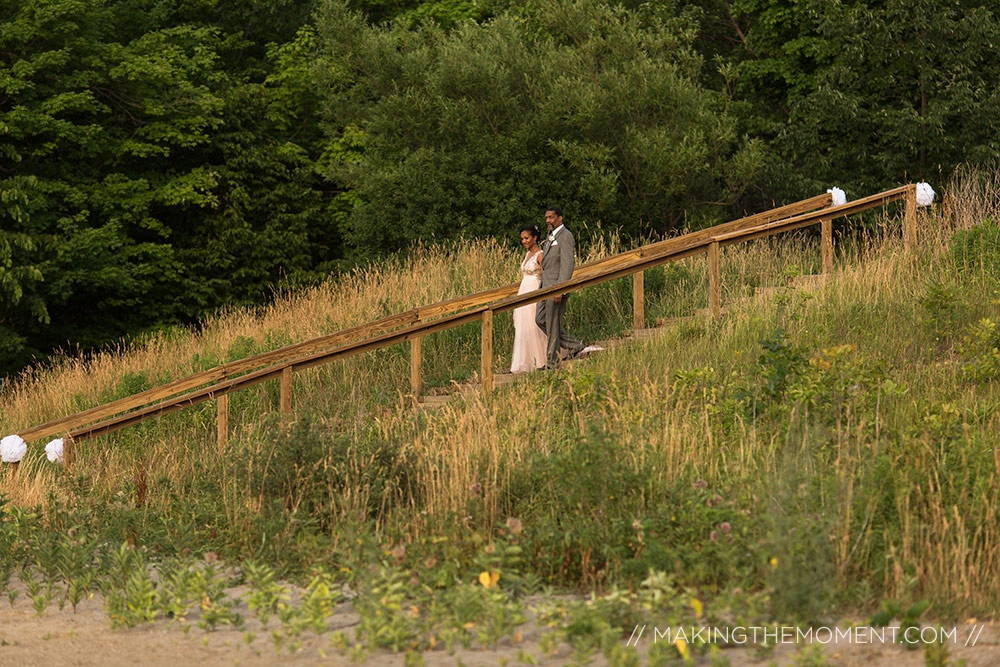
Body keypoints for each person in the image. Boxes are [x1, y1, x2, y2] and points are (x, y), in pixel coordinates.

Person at [535, 206, 584, 367]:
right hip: (545, 286)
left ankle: (552, 362)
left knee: (552, 322)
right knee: (540, 319)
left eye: (551, 217)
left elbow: (567, 265)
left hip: (556, 286)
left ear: (560, 218)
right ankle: (576, 345)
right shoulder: (551, 236)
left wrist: (561, 290)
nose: (548, 220)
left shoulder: (566, 236)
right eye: (547, 217)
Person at [511, 224, 549, 373]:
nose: (524, 241)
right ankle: (526, 360)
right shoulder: (527, 255)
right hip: (523, 291)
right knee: (524, 325)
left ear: (535, 237)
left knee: (535, 323)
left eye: (526, 238)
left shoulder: (540, 255)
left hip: (534, 290)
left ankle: (541, 358)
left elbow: (545, 274)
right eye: (522, 239)